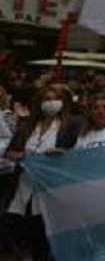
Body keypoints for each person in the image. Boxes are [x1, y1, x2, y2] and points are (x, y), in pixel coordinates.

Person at [4, 86, 76, 261]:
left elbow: (76, 154)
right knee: (18, 228)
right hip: (23, 186)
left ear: (62, 102)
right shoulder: (28, 126)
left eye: (54, 98)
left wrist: (62, 153)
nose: (50, 102)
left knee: (44, 234)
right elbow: (9, 152)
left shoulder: (70, 126)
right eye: (46, 99)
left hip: (51, 189)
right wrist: (20, 155)